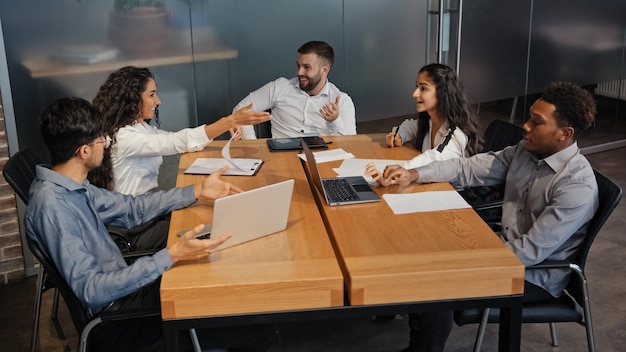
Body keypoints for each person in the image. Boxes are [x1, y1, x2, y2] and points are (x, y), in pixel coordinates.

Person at [25, 97, 274, 352]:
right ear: (84, 151)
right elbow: (93, 290)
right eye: (102, 139)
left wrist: (197, 190)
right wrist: (171, 255)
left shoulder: (74, 188)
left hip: (132, 295)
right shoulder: (54, 208)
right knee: (256, 328)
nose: (108, 144)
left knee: (227, 294)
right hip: (123, 324)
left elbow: (133, 208)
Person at [373, 81, 599, 352]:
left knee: (436, 279)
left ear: (565, 133)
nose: (525, 125)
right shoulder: (526, 152)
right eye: (529, 116)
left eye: (537, 122)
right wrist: (415, 174)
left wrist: (465, 261)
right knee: (424, 248)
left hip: (533, 275)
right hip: (501, 247)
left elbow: (529, 251)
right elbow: (469, 168)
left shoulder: (576, 186)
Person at [88, 65, 271, 196]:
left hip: (144, 204)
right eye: (151, 95)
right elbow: (175, 142)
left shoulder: (138, 128)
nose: (158, 101)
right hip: (133, 215)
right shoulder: (125, 137)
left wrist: (224, 125)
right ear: (132, 100)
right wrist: (228, 121)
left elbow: (179, 141)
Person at [365, 63, 481, 182]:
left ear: (442, 93)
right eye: (417, 87)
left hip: (452, 194)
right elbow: (409, 126)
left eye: (423, 88)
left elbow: (435, 159)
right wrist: (399, 136)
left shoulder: (456, 134)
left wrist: (399, 171)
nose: (415, 94)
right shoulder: (430, 120)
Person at [233, 40, 356, 139]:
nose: (299, 72)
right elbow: (240, 110)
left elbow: (352, 145)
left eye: (306, 67)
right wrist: (253, 144)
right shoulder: (280, 87)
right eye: (298, 65)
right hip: (280, 160)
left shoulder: (342, 101)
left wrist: (334, 121)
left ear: (324, 70)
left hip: (322, 161)